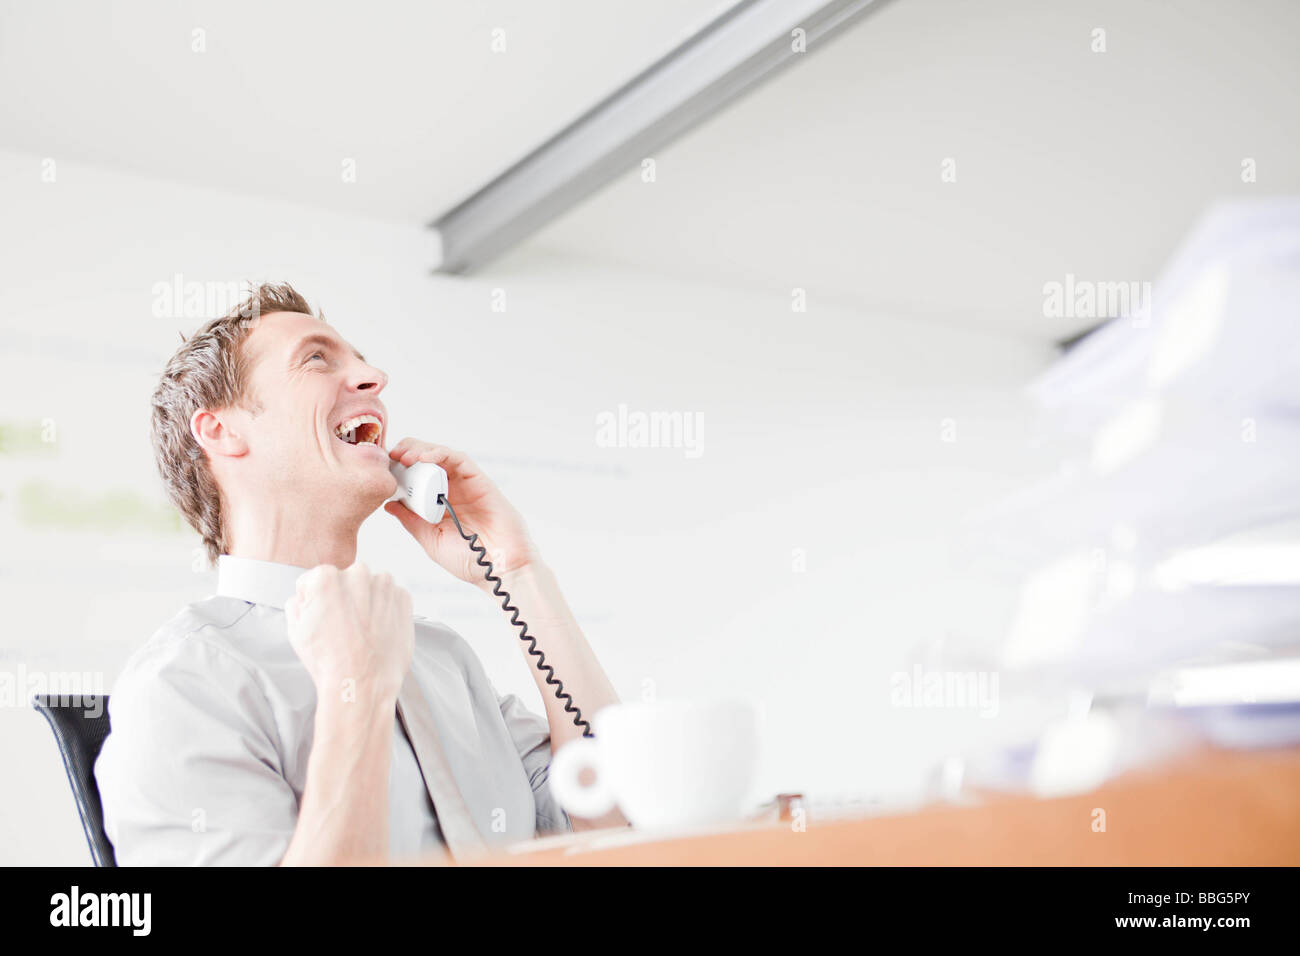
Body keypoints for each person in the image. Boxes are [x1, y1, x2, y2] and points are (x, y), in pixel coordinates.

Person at [94, 283, 624, 865]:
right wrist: (359, 691)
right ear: (221, 431)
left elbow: (613, 821)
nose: (375, 376)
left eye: (361, 360)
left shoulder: (443, 658)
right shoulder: (185, 684)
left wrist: (518, 571)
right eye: (317, 358)